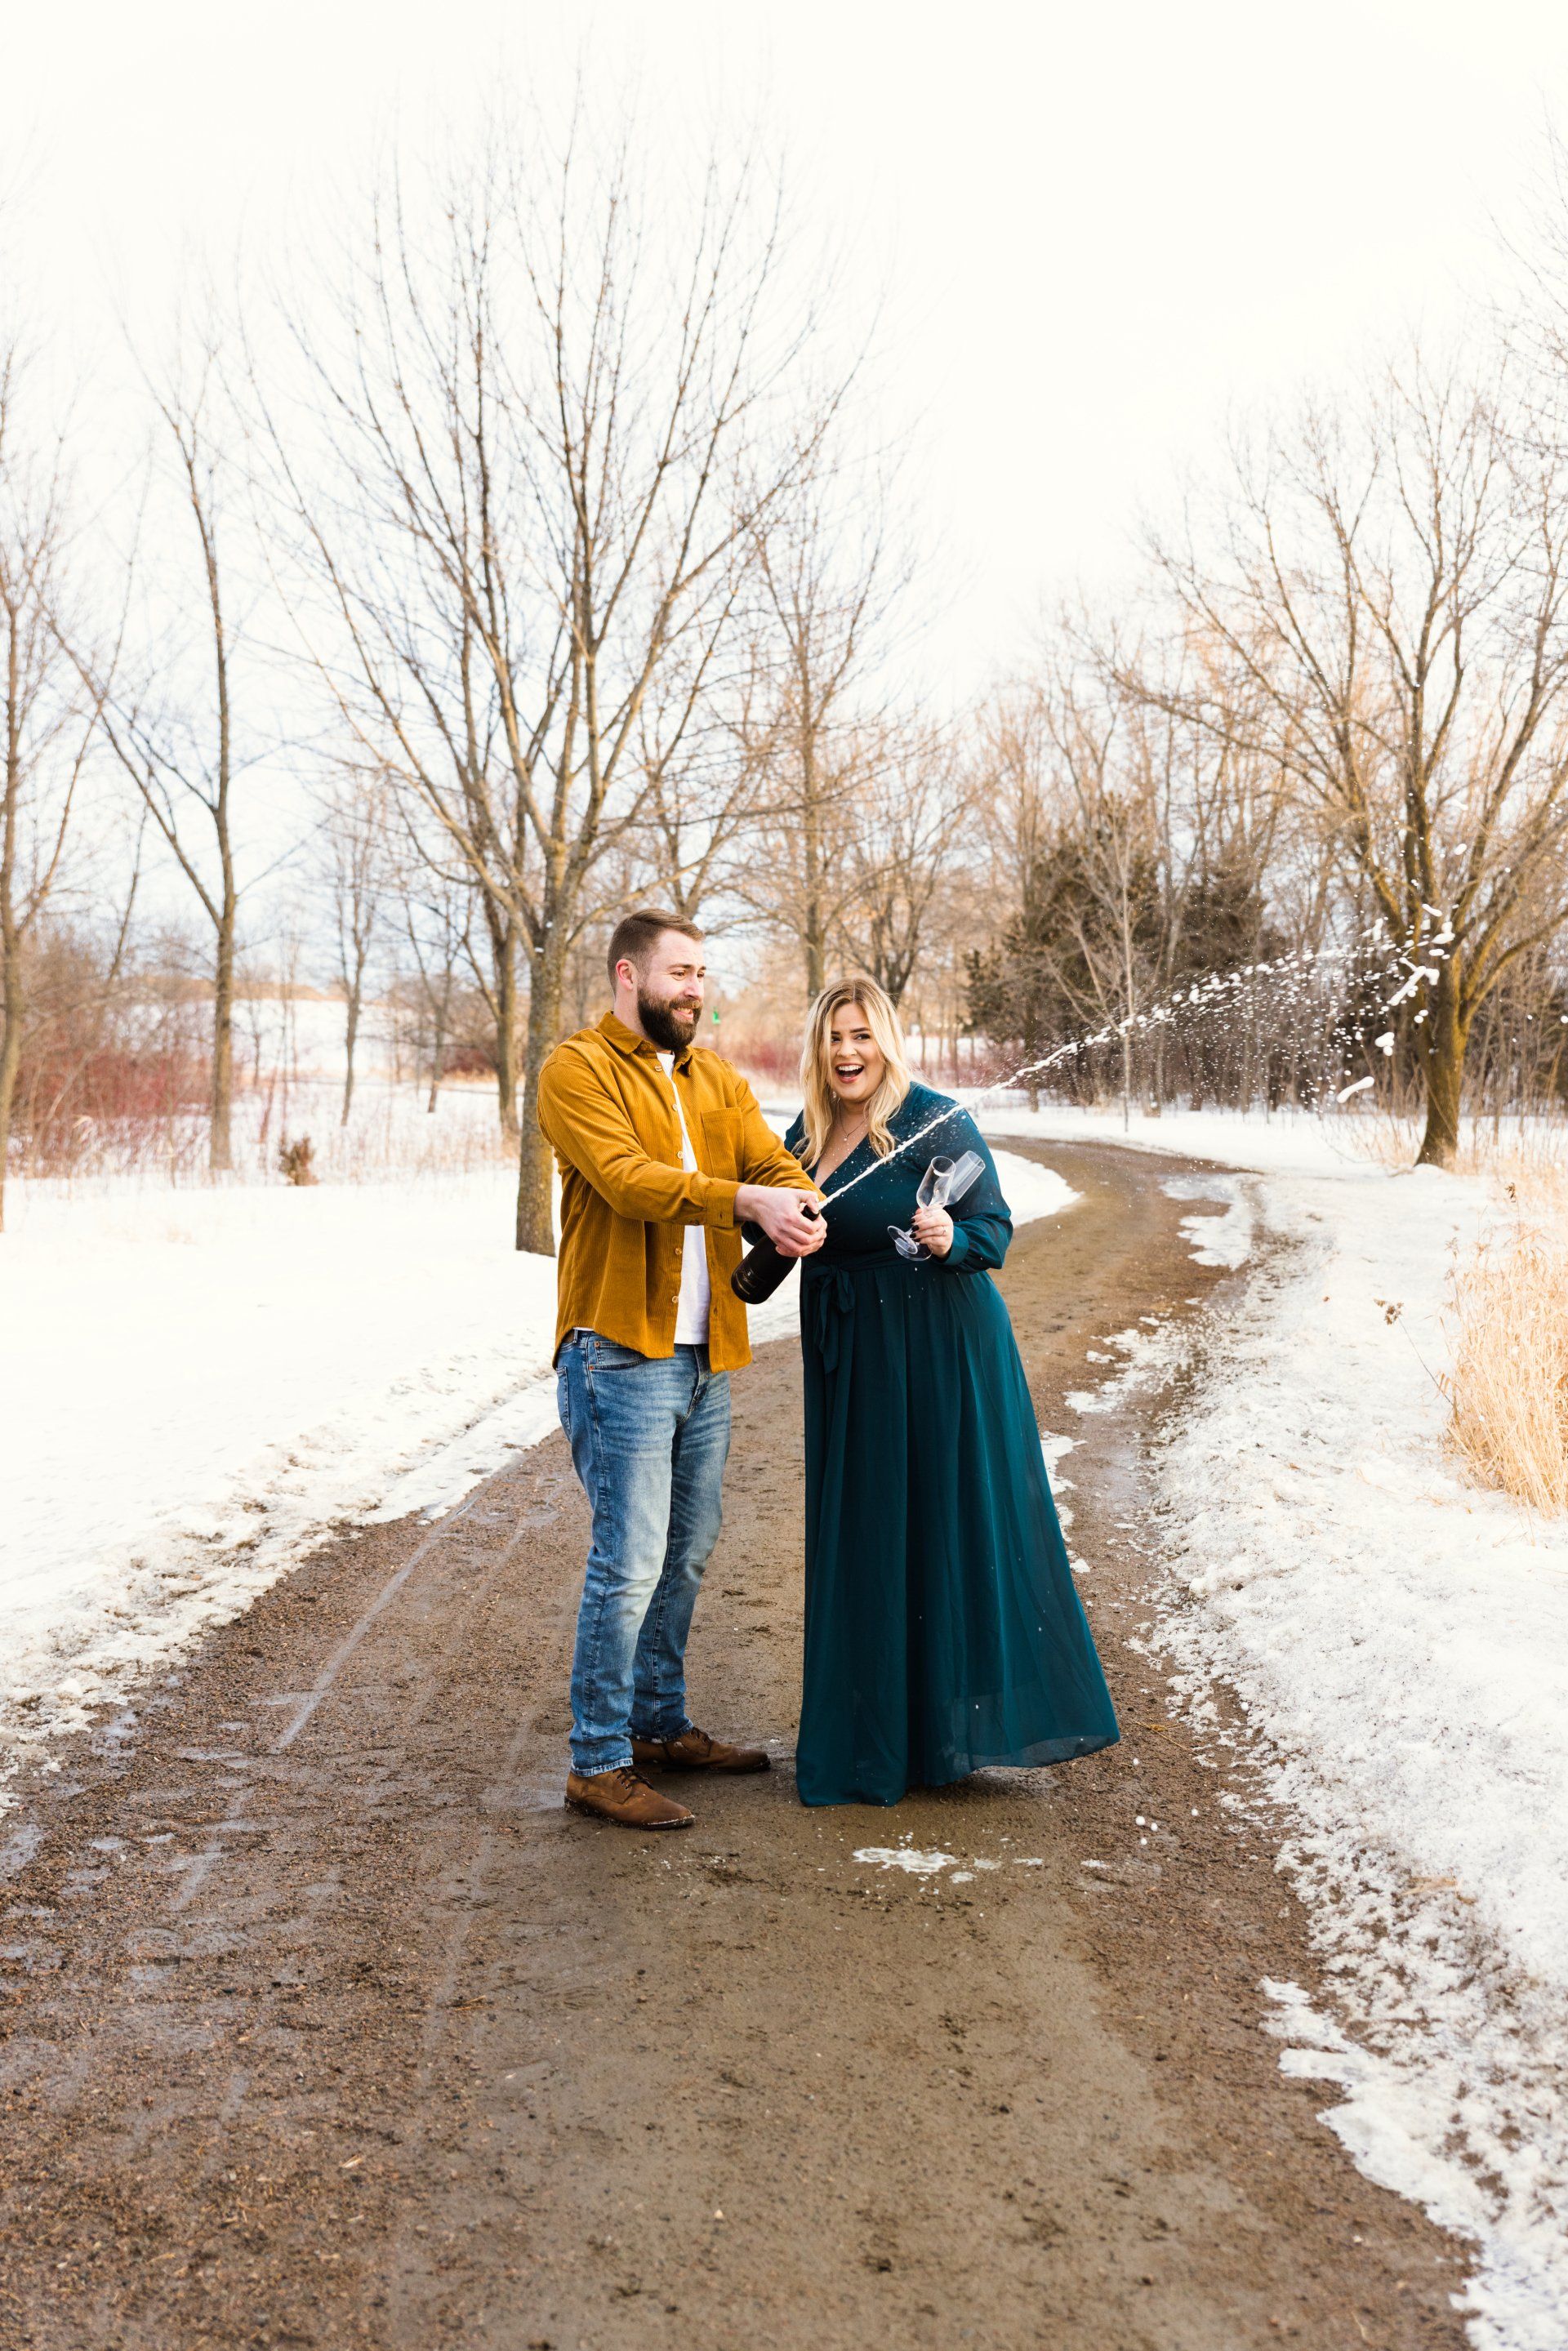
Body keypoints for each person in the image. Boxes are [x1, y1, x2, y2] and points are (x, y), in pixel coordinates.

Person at [784, 979, 1120, 1807]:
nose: (846, 1052)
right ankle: (875, 1730)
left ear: (886, 1040)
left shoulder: (934, 1117)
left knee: (937, 1523)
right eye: (832, 1038)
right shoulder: (805, 1130)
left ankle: (940, 1734)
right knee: (867, 1532)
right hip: (852, 1355)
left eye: (860, 1035)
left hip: (938, 1345)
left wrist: (950, 1235)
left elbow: (995, 1229)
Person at [537, 909, 826, 1831]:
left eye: (703, 973)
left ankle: (660, 1726)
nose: (696, 989)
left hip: (707, 1356)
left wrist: (793, 1192)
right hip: (619, 1352)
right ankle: (598, 1759)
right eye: (679, 974)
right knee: (628, 1561)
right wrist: (742, 1197)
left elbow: (766, 1155)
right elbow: (628, 1180)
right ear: (629, 976)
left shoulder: (717, 1078)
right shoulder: (575, 1070)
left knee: (687, 1553)